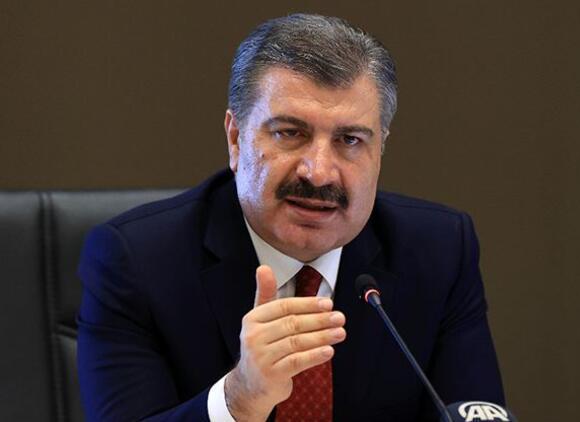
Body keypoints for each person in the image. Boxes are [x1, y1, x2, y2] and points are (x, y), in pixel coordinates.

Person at [77, 13, 504, 421]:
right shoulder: (137, 262)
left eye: (349, 140)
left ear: (380, 150)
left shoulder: (439, 251)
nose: (318, 172)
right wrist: (239, 399)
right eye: (290, 133)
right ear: (235, 139)